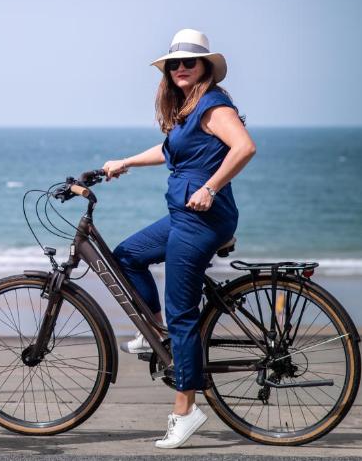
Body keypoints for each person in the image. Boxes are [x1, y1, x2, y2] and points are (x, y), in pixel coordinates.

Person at [102, 28, 255, 450]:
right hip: (183, 215)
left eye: (190, 61)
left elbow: (244, 147)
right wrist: (126, 162)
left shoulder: (213, 105)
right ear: (167, 71)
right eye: (174, 63)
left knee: (183, 313)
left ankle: (185, 412)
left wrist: (211, 187)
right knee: (127, 255)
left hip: (203, 218)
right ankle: (156, 331)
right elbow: (170, 152)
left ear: (206, 66)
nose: (181, 68)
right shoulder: (189, 111)